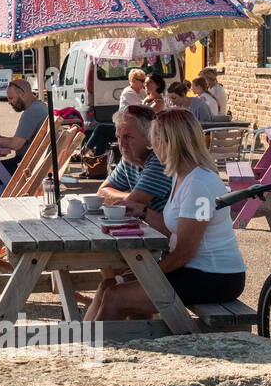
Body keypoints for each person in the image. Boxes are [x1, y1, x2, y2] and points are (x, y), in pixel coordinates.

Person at [85, 108, 245, 320]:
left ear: (170, 142)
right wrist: (143, 211)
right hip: (193, 271)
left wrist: (150, 272)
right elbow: (173, 231)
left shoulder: (200, 184)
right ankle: (88, 346)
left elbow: (184, 252)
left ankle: (97, 350)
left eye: (155, 140)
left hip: (214, 276)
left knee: (116, 296)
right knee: (109, 285)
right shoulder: (183, 175)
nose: (152, 147)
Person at [96, 105, 172, 221]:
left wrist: (131, 201)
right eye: (118, 137)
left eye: (128, 137)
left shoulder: (160, 159)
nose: (122, 144)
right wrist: (129, 198)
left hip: (167, 234)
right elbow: (101, 193)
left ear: (149, 137)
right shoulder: (130, 158)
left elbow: (129, 205)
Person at [0, 77, 48, 184]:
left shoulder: (32, 112)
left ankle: (4, 199)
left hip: (30, 167)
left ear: (23, 94)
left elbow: (16, 144)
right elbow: (21, 140)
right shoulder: (39, 107)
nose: (9, 102)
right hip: (35, 163)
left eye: (11, 98)